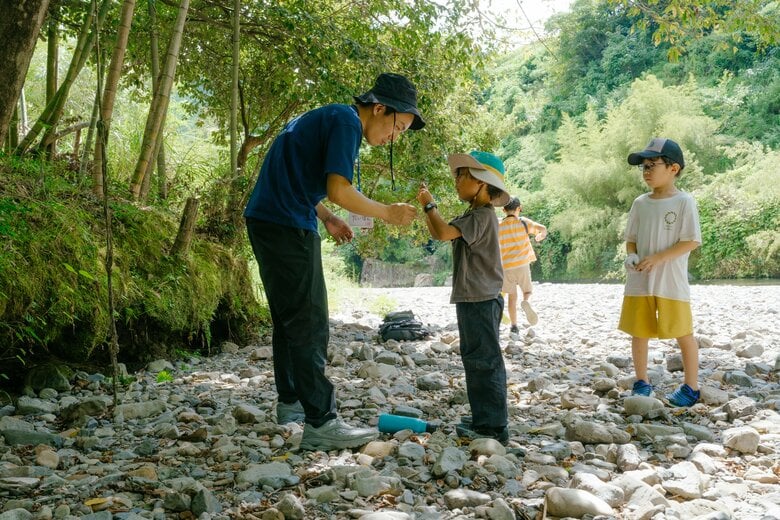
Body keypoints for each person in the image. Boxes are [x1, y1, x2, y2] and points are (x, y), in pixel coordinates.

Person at [244, 73, 425, 450]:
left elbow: (300, 179)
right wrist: (387, 213)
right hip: (285, 222)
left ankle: (291, 403)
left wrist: (327, 217)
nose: (397, 136)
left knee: (289, 317)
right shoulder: (346, 122)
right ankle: (322, 422)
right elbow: (339, 188)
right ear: (379, 109)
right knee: (309, 320)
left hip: (269, 217)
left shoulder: (329, 117)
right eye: (400, 125)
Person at [416, 151, 511, 444]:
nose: (457, 181)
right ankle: (484, 418)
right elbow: (439, 233)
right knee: (476, 359)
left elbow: (443, 232)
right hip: (475, 298)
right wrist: (427, 209)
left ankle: (494, 427)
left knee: (484, 361)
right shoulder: (474, 215)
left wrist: (429, 204)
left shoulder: (482, 216)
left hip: (480, 299)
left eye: (463, 175)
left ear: (482, 182)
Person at [618, 138, 702, 407]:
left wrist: (657, 259)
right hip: (640, 279)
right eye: (643, 166)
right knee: (638, 331)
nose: (646, 171)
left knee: (682, 332)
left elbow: (691, 241)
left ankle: (691, 387)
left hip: (671, 281)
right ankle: (641, 382)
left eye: (652, 165)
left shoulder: (683, 201)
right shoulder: (640, 203)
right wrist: (632, 254)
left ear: (673, 168)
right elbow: (631, 238)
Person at [499, 196, 547, 331]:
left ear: (503, 209)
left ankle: (514, 326)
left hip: (507, 267)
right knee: (527, 291)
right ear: (519, 208)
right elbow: (542, 228)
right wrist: (540, 236)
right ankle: (527, 302)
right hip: (522, 265)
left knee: (511, 297)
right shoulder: (524, 222)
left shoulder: (499, 225)